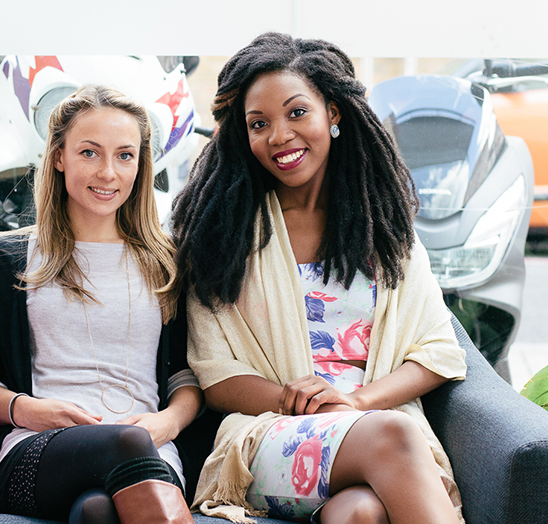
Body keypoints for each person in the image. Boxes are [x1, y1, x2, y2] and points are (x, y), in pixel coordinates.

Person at [170, 33, 467, 524]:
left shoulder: (385, 229)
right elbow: (216, 374)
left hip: (376, 430)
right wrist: (310, 406)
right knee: (393, 436)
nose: (279, 135)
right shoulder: (224, 236)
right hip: (268, 438)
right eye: (258, 124)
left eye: (297, 113)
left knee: (360, 513)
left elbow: (436, 352)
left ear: (333, 112)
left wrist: (354, 402)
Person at [0, 85, 204, 524]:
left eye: (125, 155)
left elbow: (184, 376)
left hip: (150, 446)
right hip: (35, 448)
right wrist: (27, 409)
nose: (108, 172)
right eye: (90, 153)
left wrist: (168, 422)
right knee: (123, 446)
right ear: (58, 156)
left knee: (96, 513)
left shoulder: (168, 262)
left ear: (141, 164)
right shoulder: (6, 258)